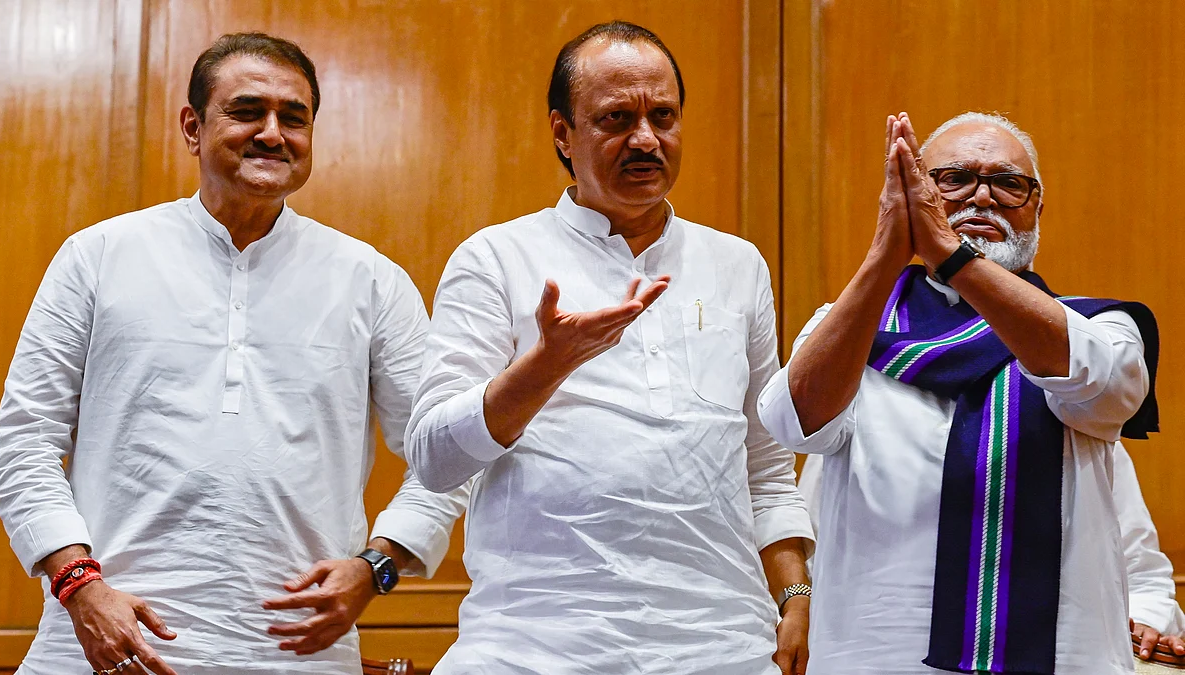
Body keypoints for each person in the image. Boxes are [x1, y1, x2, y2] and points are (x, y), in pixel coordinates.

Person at [0, 32, 468, 675]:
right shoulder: (97, 257)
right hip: (101, 645)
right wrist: (79, 585)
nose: (273, 133)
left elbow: (447, 454)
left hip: (298, 651)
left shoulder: (370, 279)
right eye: (247, 112)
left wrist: (377, 565)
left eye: (294, 118)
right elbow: (23, 444)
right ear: (193, 126)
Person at [404, 21, 814, 675]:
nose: (646, 139)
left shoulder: (738, 264)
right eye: (616, 118)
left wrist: (795, 591)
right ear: (562, 133)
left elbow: (765, 469)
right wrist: (544, 367)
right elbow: (433, 457)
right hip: (532, 648)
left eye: (663, 115)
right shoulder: (495, 258)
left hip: (721, 646)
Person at [758, 111, 1158, 675]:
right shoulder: (849, 328)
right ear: (914, 197)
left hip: (1062, 656)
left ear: (1039, 208)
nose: (984, 198)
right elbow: (792, 422)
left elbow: (1107, 387)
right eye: (954, 180)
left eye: (1009, 183)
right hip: (876, 654)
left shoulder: (1098, 328)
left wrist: (950, 253)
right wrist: (886, 252)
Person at [798, 445, 1185, 663]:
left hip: (1053, 658)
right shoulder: (850, 407)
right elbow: (815, 562)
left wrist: (1144, 624)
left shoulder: (1080, 412)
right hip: (881, 659)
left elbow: (1142, 573)